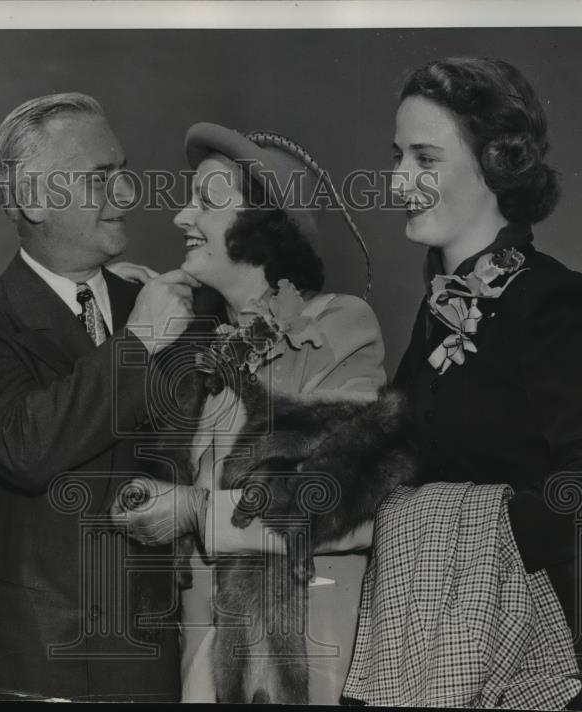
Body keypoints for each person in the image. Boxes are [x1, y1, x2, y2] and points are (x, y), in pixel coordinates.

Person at [112, 123, 398, 704]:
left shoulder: (337, 324)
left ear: (268, 225)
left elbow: (340, 500)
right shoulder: (198, 345)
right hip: (200, 648)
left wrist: (194, 509)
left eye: (208, 200)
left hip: (299, 648)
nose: (181, 218)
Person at [390, 57, 582, 711]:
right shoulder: (436, 310)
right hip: (441, 639)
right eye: (398, 157)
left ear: (496, 167)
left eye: (424, 159)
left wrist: (475, 534)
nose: (398, 183)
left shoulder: (555, 299)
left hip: (543, 647)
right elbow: (392, 453)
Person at [0, 93, 195, 701]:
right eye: (99, 178)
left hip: (148, 650)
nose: (128, 196)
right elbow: (25, 445)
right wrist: (138, 344)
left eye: (123, 173)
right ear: (31, 199)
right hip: (28, 655)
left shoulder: (157, 306)